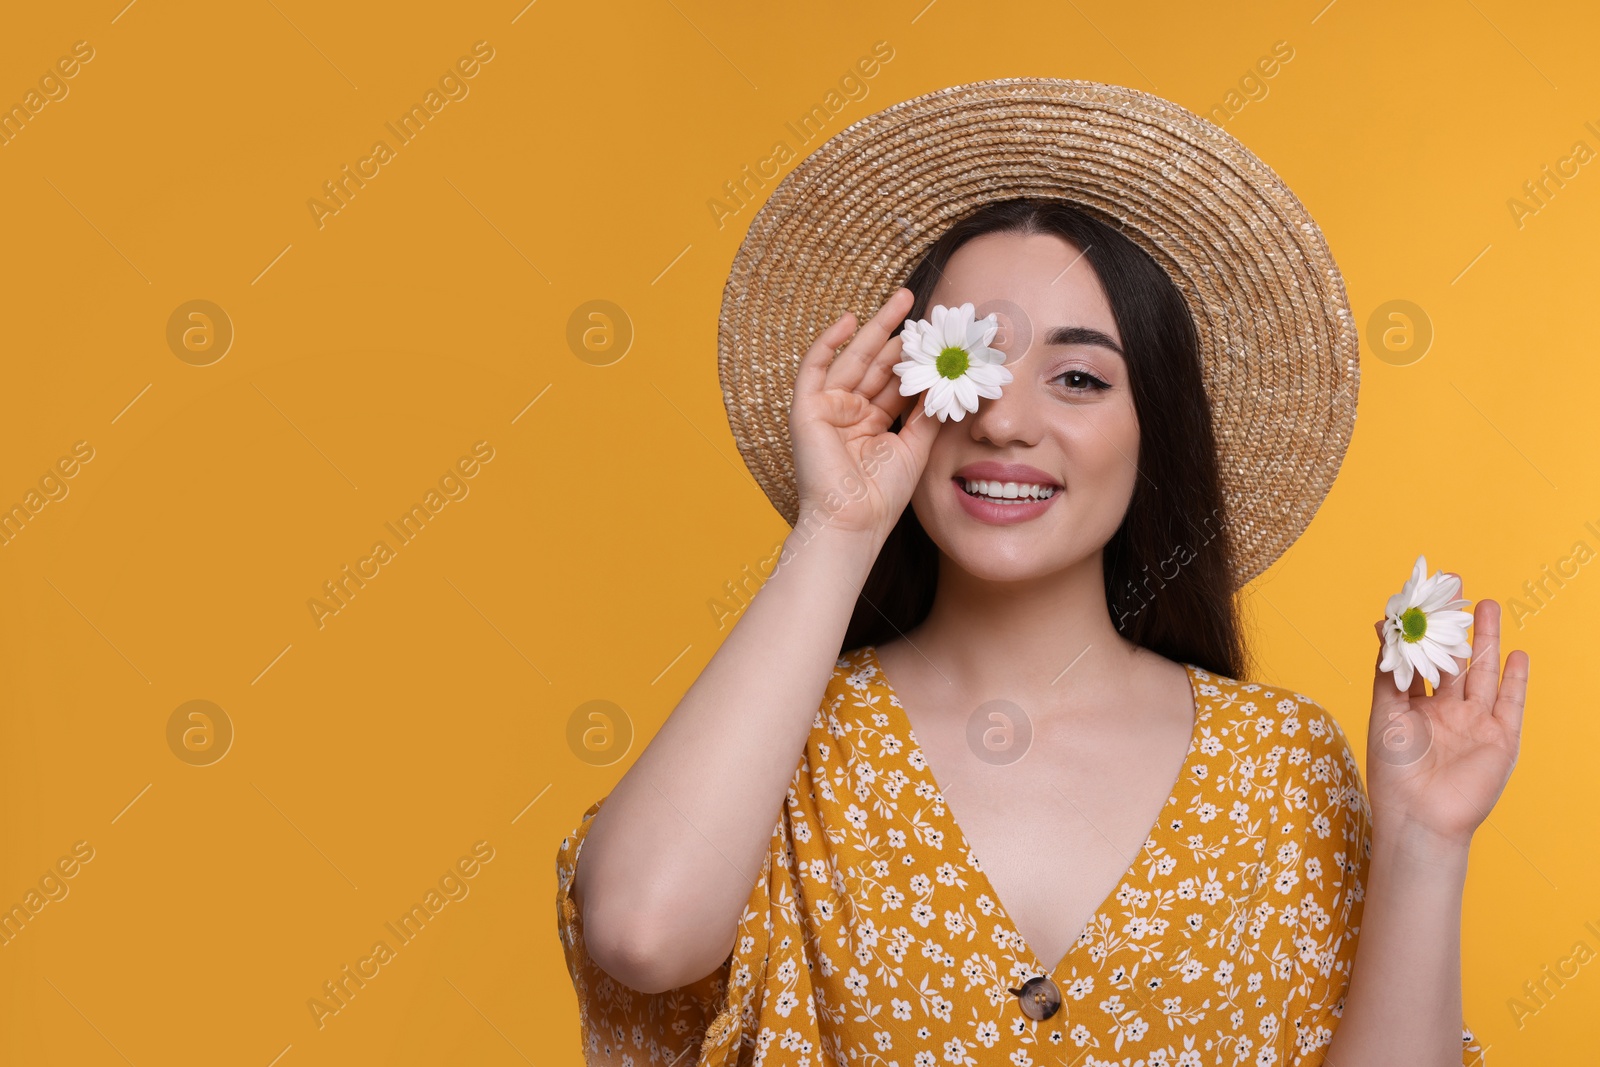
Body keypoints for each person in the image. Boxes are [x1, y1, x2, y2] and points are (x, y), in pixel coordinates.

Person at [555, 80, 1525, 1066]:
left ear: (1155, 431)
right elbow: (640, 932)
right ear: (903, 393)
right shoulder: (778, 756)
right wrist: (837, 526)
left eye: (1078, 377)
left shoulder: (1277, 770)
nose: (1005, 419)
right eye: (964, 363)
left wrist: (1424, 843)